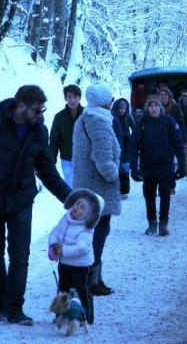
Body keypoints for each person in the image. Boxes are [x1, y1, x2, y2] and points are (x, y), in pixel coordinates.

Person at [0, 85, 72, 326]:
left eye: (43, 110)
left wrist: (70, 199)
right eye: (37, 111)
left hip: (21, 200)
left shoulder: (39, 131)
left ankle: (15, 308)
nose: (41, 115)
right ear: (20, 106)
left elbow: (47, 170)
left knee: (20, 256)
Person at [72, 83, 121, 296]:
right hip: (98, 188)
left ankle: (93, 277)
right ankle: (91, 279)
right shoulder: (98, 121)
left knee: (94, 232)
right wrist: (115, 173)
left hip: (87, 185)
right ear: (105, 102)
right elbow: (103, 159)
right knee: (98, 233)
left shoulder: (86, 117)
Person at [130, 97, 186, 236]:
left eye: (156, 105)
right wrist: (134, 167)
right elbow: (134, 146)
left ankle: (163, 224)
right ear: (147, 108)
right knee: (149, 196)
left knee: (165, 195)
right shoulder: (142, 123)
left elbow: (178, 143)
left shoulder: (168, 121)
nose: (153, 108)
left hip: (166, 166)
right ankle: (151, 223)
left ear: (160, 107)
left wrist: (182, 164)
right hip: (147, 166)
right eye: (151, 106)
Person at [48, 188, 103, 325]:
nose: (77, 207)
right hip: (64, 263)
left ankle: (86, 316)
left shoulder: (87, 229)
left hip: (80, 266)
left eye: (82, 207)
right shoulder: (66, 219)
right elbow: (56, 231)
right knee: (62, 289)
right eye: (77, 203)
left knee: (81, 290)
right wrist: (53, 243)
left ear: (89, 214)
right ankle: (60, 314)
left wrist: (64, 250)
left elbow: (82, 248)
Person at [49, 85, 84, 187]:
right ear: (65, 98)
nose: (72, 100)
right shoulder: (59, 117)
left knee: (85, 187)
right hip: (67, 160)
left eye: (75, 97)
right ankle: (72, 202)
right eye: (69, 97)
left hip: (85, 159)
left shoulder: (86, 114)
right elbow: (54, 141)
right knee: (70, 186)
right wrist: (51, 161)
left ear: (79, 98)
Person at [112, 98, 135, 198]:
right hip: (115, 146)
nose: (122, 111)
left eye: (124, 109)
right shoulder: (112, 117)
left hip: (126, 147)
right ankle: (115, 190)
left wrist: (132, 138)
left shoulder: (128, 117)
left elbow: (135, 129)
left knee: (125, 169)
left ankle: (124, 191)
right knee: (116, 168)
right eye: (121, 108)